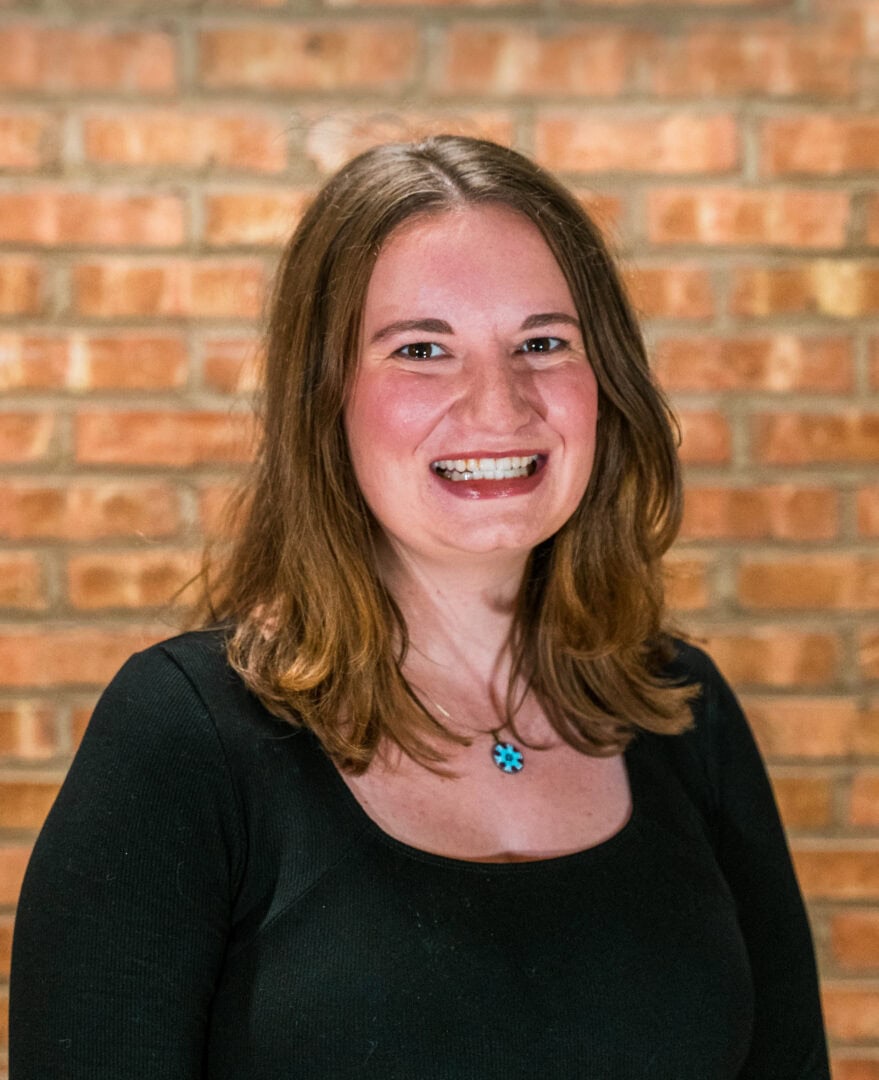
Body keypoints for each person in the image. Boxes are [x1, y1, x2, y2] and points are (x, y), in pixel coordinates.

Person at [10, 136, 829, 1079]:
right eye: (423, 349)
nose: (498, 405)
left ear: (605, 381)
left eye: (543, 343)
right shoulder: (184, 735)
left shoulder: (681, 706)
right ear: (328, 397)